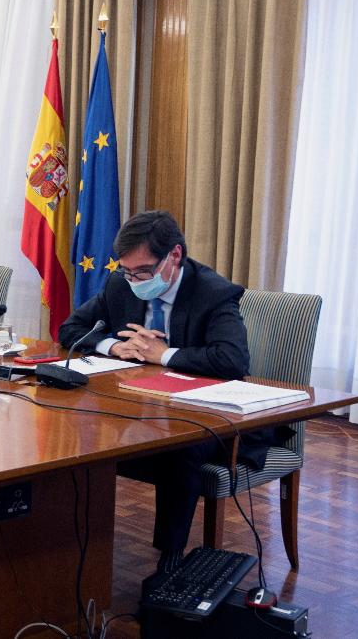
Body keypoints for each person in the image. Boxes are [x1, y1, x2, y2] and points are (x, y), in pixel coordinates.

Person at [58, 210, 275, 574]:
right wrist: (114, 346)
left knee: (181, 446)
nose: (135, 281)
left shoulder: (213, 293)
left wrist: (165, 355)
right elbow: (71, 329)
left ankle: (171, 556)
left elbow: (233, 360)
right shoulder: (119, 285)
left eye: (143, 272)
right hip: (139, 401)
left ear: (174, 256)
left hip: (210, 414)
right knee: (77, 424)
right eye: (127, 272)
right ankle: (73, 543)